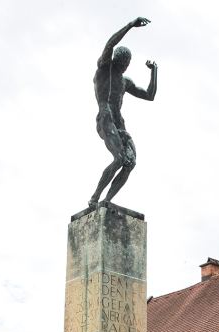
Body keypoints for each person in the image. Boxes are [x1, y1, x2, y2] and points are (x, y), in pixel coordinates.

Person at [89, 17, 158, 206]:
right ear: (116, 59)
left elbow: (149, 95)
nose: (125, 65)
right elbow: (110, 45)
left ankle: (107, 201)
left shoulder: (124, 81)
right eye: (123, 61)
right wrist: (130, 26)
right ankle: (95, 197)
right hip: (105, 118)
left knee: (130, 162)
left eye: (128, 62)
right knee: (119, 158)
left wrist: (154, 71)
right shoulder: (104, 69)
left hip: (120, 123)